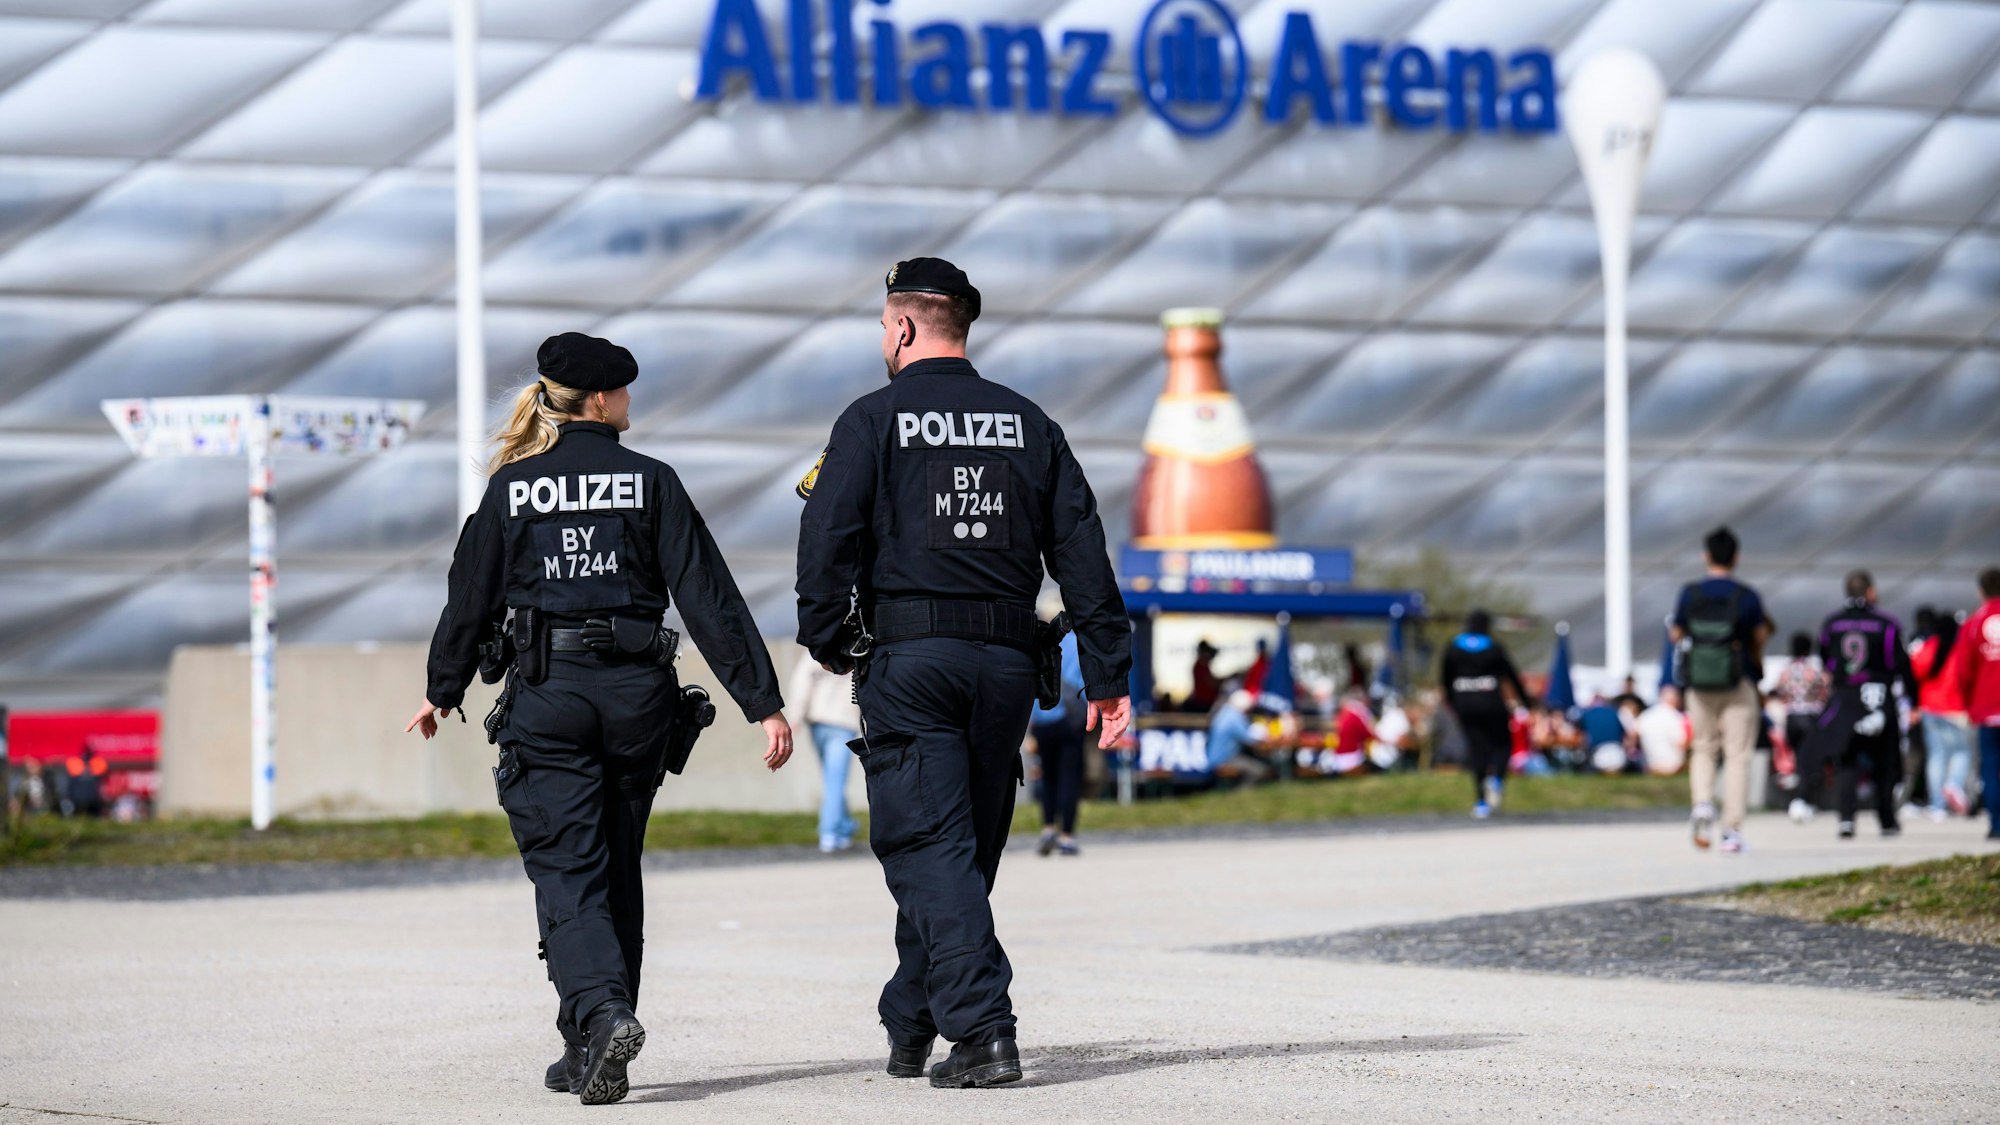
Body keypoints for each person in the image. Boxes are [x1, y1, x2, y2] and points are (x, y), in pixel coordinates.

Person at [406, 332, 793, 1106]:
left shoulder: (512, 488)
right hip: (638, 697)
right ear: (604, 401)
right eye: (625, 393)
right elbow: (707, 595)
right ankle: (585, 1042)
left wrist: (442, 687)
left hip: (550, 695)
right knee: (613, 864)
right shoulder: (652, 482)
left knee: (566, 866)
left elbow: (468, 596)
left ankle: (602, 1012)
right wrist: (763, 701)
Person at [794, 258, 1132, 1089]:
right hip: (1008, 668)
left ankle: (983, 1030)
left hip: (911, 661)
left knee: (928, 845)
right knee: (961, 848)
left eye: (883, 326)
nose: (883, 338)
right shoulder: (1029, 423)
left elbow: (825, 542)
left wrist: (828, 638)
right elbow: (1083, 552)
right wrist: (1111, 674)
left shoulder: (872, 420)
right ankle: (911, 1021)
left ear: (903, 327)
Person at [1670, 526, 1772, 854]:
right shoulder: (1747, 596)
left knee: (1703, 747)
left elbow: (1676, 633)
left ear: (1706, 555)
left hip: (1699, 682)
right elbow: (1759, 636)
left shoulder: (1690, 593)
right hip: (1738, 679)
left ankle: (1702, 803)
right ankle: (1732, 830)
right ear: (1736, 557)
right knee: (1737, 754)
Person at [1814, 571, 1913, 839]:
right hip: (1879, 695)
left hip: (1846, 696)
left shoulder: (1832, 623)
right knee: (1885, 760)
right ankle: (1886, 819)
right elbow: (1901, 663)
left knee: (1847, 759)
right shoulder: (1886, 623)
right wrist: (1913, 699)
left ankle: (1846, 819)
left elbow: (1825, 657)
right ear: (1870, 591)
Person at [1439, 609, 1530, 818]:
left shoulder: (1453, 648)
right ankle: (1496, 778)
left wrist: (1454, 703)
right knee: (1504, 744)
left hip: (1465, 705)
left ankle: (1481, 802)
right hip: (1491, 703)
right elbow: (1512, 676)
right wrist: (1526, 702)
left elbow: (1445, 679)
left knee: (1476, 750)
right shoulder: (1494, 648)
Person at [786, 657, 861, 852]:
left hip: (819, 722)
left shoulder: (813, 654)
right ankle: (830, 831)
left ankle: (844, 827)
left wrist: (796, 716)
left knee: (832, 778)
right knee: (835, 779)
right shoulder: (856, 652)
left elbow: (800, 685)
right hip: (841, 722)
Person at [1028, 624, 1087, 857]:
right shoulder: (1079, 642)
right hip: (1070, 717)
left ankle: (1048, 827)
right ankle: (1067, 836)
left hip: (1042, 717)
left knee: (1048, 775)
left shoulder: (1039, 641)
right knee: (1069, 776)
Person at [1950, 568, 2000, 841]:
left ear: (1981, 591)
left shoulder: (1974, 623)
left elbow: (1963, 671)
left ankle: (1996, 824)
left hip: (1987, 709)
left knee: (1991, 767)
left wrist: (1970, 705)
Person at [1909, 607, 1971, 822]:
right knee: (1961, 752)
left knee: (1937, 756)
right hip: (1956, 709)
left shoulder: (1929, 646)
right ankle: (1954, 784)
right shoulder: (1961, 649)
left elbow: (1914, 671)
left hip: (1930, 708)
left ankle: (1937, 805)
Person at [1770, 632, 1832, 822]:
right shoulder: (1813, 671)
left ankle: (1800, 799)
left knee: (1798, 760)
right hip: (1810, 718)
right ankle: (1803, 800)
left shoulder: (1785, 672)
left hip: (1791, 718)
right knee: (1809, 763)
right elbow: (1826, 691)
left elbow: (1777, 691)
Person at [1207, 690, 1276, 782]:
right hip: (1224, 759)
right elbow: (1249, 739)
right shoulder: (1234, 717)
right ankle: (1242, 793)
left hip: (1216, 756)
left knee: (1252, 763)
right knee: (1259, 770)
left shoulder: (1224, 712)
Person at [1636, 685, 1690, 776]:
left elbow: (1633, 735)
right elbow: (1682, 743)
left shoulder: (1645, 715)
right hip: (1673, 765)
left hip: (1650, 764)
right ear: (1675, 700)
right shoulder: (1676, 717)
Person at [1187, 640, 1220, 712]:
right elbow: (1212, 683)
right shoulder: (1200, 666)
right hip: (1203, 703)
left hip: (1206, 702)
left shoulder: (1203, 666)